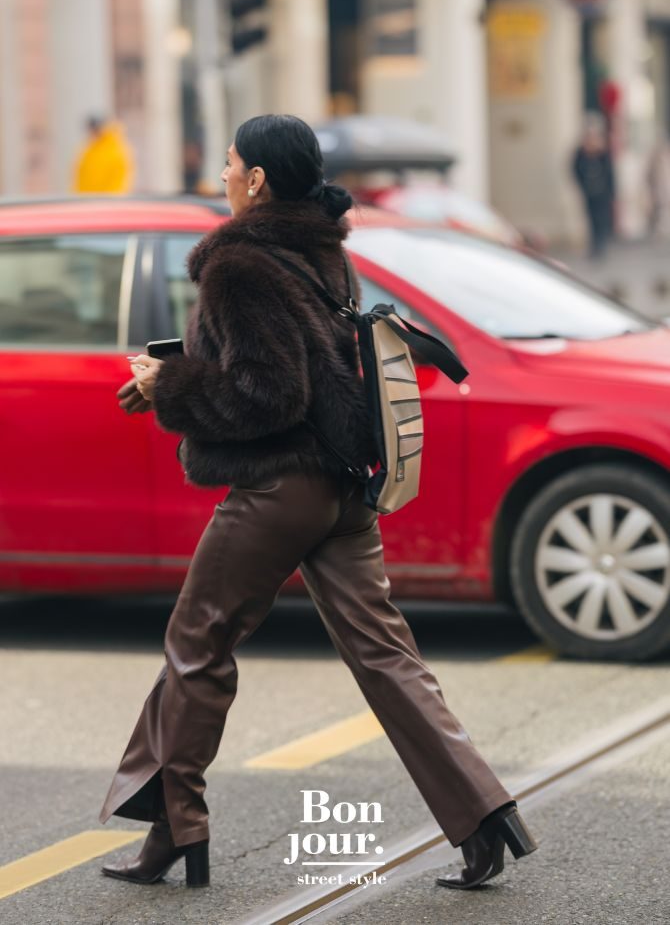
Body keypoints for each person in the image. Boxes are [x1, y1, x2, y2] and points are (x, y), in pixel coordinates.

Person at [98, 114, 537, 891]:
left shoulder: (237, 265)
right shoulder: (326, 253)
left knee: (197, 645)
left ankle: (176, 832)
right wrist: (173, 384)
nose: (224, 177)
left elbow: (268, 393)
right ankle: (483, 816)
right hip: (344, 486)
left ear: (258, 179)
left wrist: (170, 385)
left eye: (231, 165)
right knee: (387, 655)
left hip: (278, 488)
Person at [572, 115, 615, 259]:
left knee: (602, 219)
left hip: (602, 193)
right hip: (589, 192)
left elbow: (610, 174)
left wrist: (612, 192)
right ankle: (594, 245)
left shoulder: (603, 154)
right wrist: (582, 186)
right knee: (591, 219)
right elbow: (575, 170)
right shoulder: (580, 153)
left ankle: (601, 244)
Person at [72, 115, 135, 194]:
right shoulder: (89, 149)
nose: (92, 133)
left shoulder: (116, 150)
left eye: (95, 130)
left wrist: (109, 201)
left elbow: (119, 183)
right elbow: (80, 177)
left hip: (106, 202)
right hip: (87, 201)